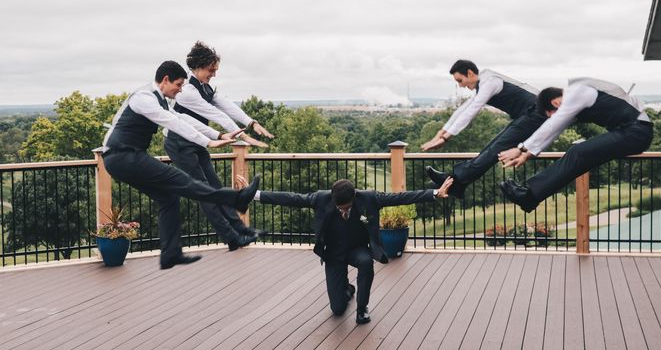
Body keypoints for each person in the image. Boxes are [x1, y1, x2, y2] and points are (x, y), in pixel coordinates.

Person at [101, 60, 260, 269]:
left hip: (127, 158)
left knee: (168, 198)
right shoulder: (144, 98)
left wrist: (217, 134)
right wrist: (208, 142)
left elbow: (182, 118)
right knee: (183, 181)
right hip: (121, 156)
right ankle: (236, 199)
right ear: (165, 80)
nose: (179, 90)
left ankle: (170, 254)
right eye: (178, 85)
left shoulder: (161, 100)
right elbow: (172, 123)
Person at [253, 176, 453, 324]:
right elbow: (291, 198)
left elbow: (400, 197)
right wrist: (253, 194)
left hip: (357, 249)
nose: (344, 211)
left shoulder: (369, 199)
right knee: (337, 309)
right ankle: (347, 290)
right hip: (333, 253)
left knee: (366, 262)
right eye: (340, 208)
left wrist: (435, 193)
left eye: (347, 207)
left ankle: (362, 308)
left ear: (354, 197)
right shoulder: (321, 199)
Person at [165, 41, 274, 251]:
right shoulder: (187, 91)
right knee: (204, 192)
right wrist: (244, 136)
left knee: (214, 188)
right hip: (179, 143)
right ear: (198, 66)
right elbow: (213, 114)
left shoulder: (206, 87)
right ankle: (231, 237)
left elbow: (226, 105)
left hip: (196, 141)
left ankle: (241, 230)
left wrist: (251, 122)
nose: (214, 74)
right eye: (211, 70)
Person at [498, 77, 653, 212]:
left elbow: (554, 124)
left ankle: (529, 196)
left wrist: (520, 148)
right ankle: (530, 195)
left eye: (550, 113)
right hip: (631, 132)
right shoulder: (577, 98)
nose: (553, 116)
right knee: (578, 153)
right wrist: (527, 154)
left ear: (555, 102)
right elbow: (555, 130)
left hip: (637, 132)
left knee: (578, 152)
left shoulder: (578, 92)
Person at [421, 59, 546, 199]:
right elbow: (464, 108)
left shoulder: (489, 82)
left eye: (460, 80)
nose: (460, 85)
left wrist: (446, 137)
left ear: (469, 73)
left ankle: (454, 182)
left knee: (495, 148)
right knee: (491, 148)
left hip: (536, 113)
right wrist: (441, 132)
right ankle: (456, 183)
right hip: (528, 115)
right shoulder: (485, 82)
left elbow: (472, 110)